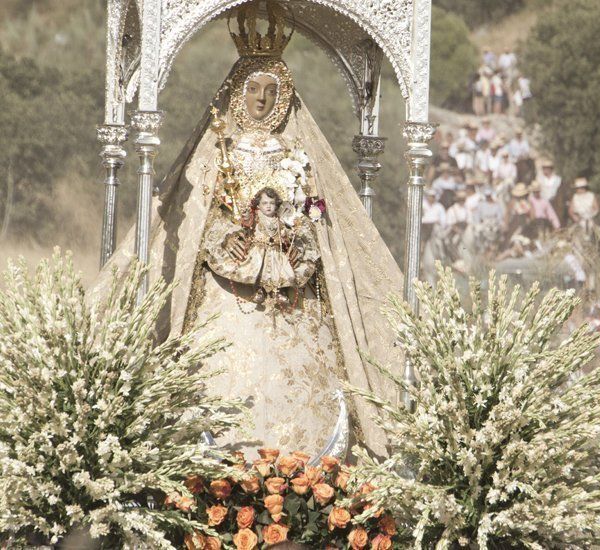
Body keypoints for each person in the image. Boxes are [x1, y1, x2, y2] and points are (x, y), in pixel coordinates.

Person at [91, 1, 400, 459]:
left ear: (284, 96)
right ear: (238, 92)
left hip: (292, 290)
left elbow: (318, 218)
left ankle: (306, 472)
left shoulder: (297, 155)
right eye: (254, 88)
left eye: (271, 91)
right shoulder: (220, 150)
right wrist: (224, 238)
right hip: (229, 287)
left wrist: (296, 242)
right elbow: (197, 218)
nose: (261, 99)